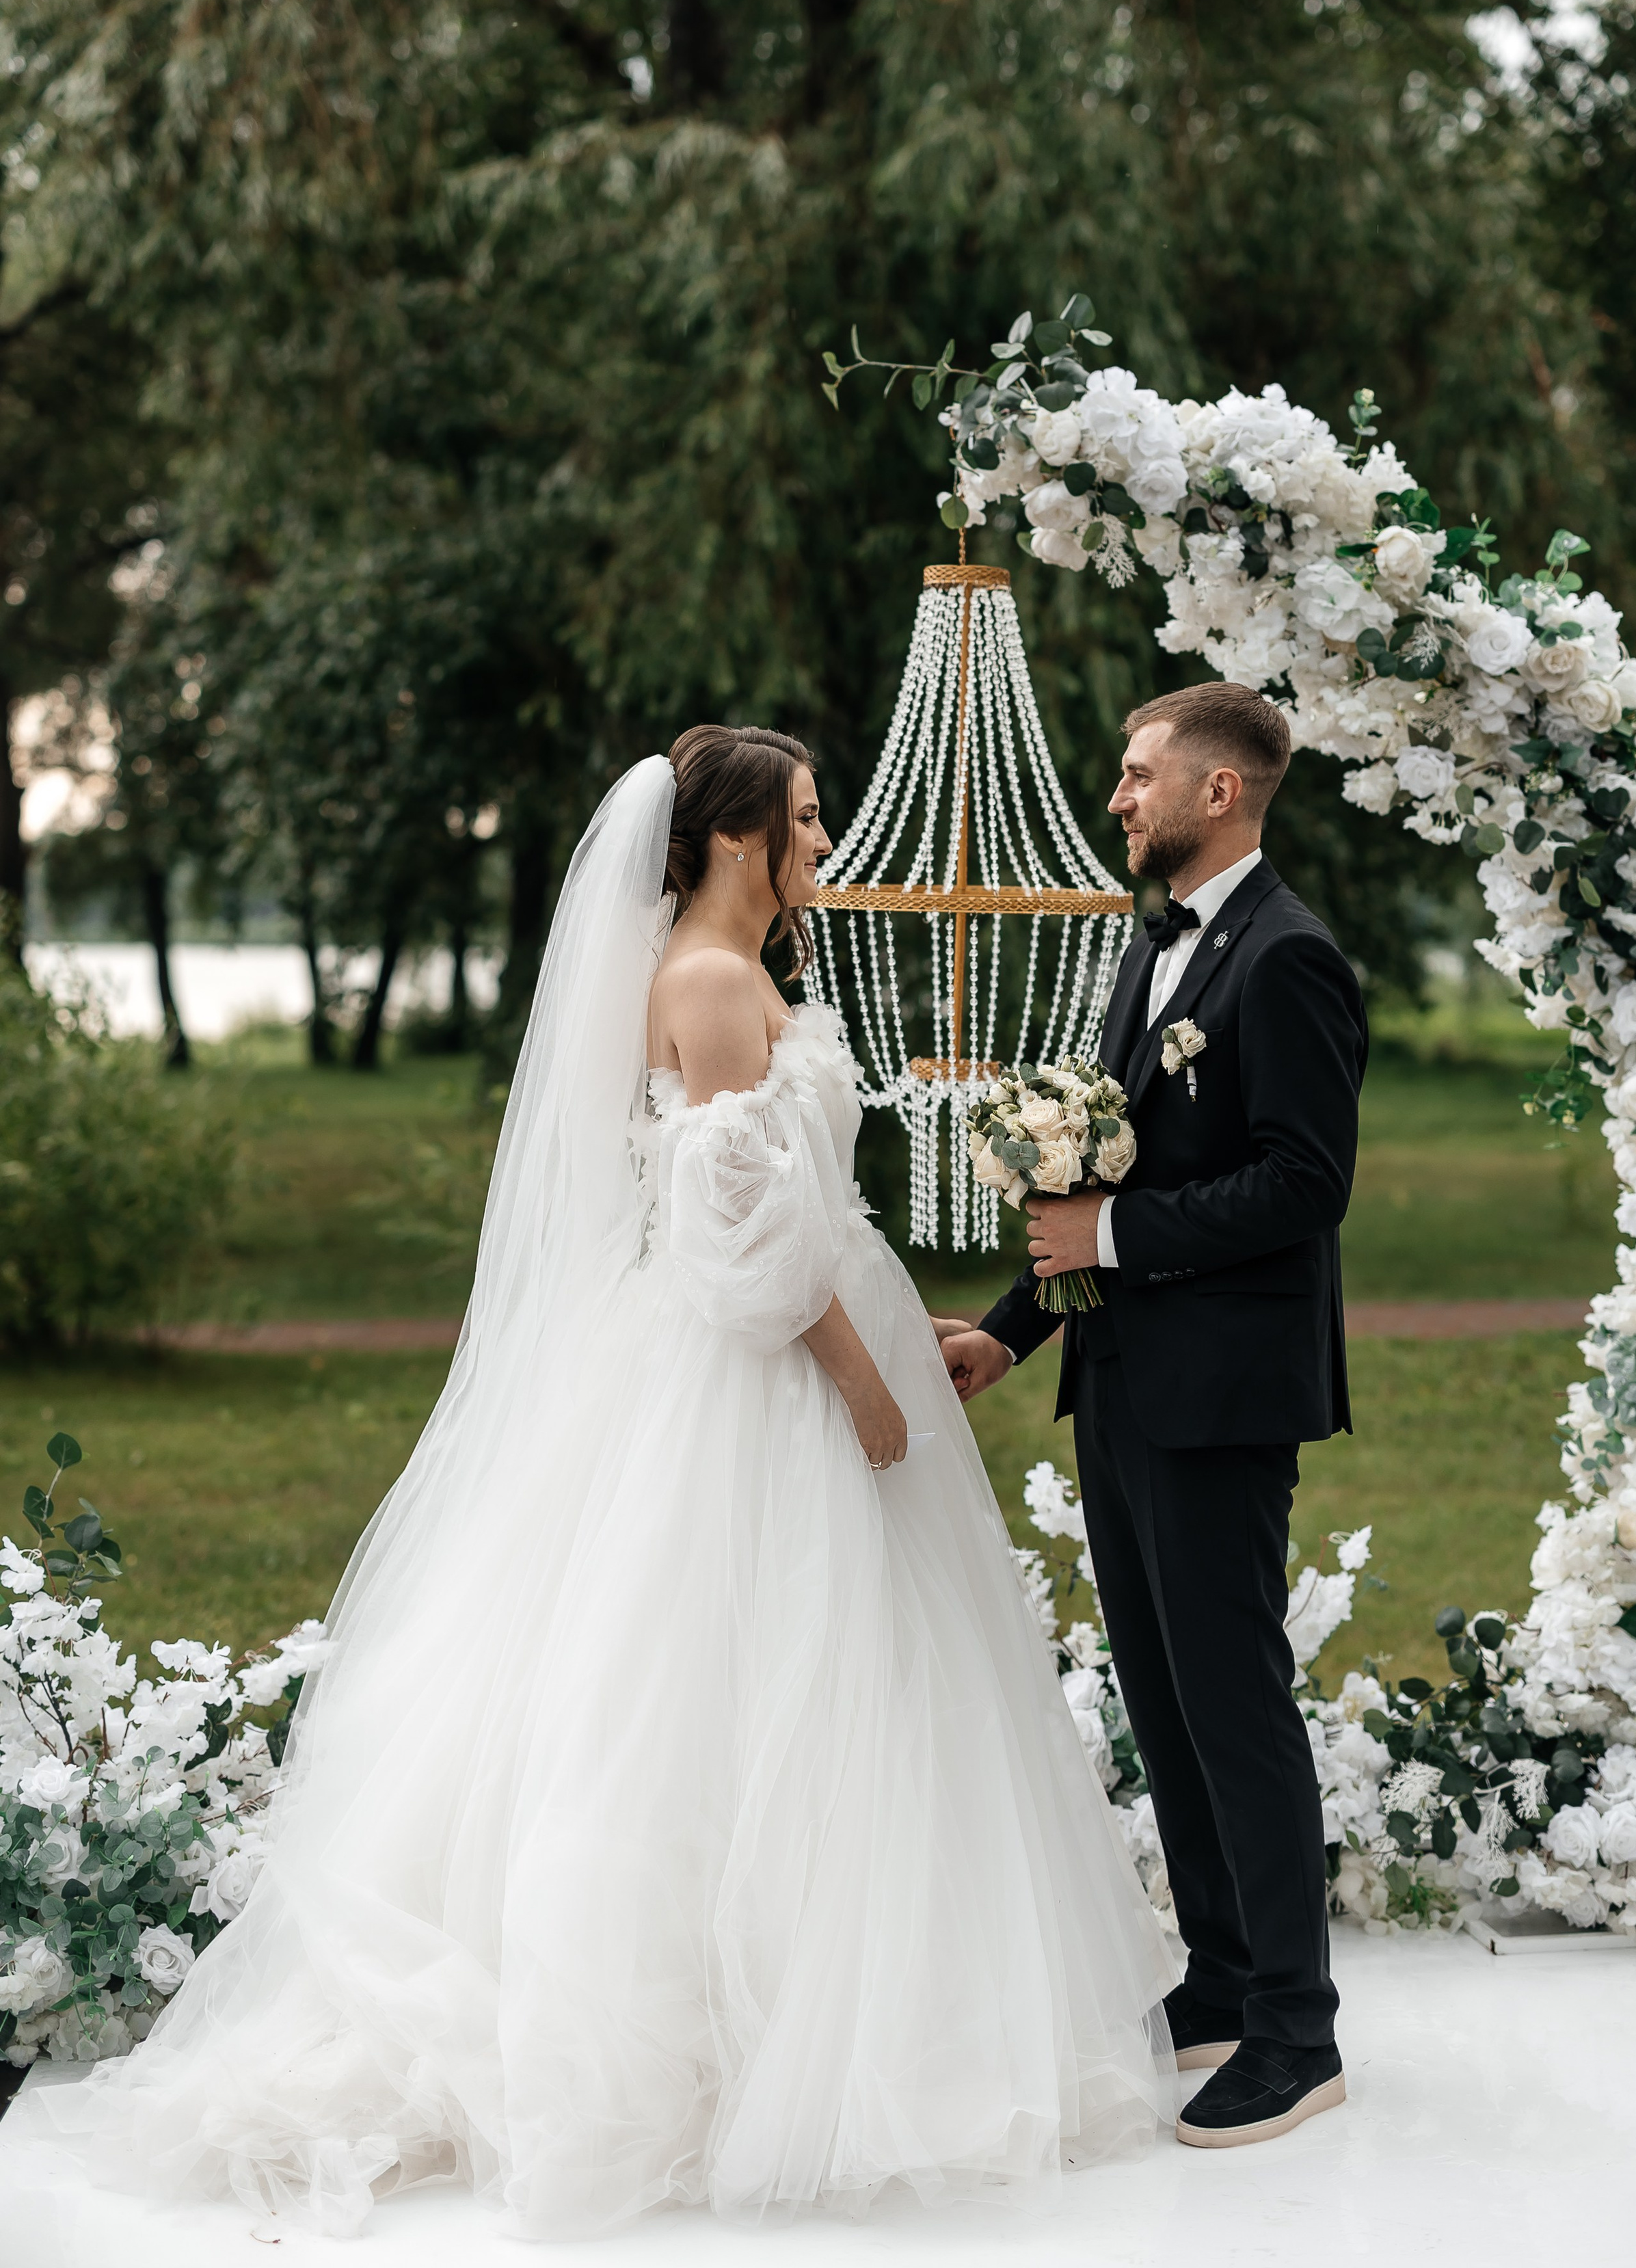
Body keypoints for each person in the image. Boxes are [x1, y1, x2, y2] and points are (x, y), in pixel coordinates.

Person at [6, 727, 1171, 2239]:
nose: (827, 842)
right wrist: (866, 1388)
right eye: (808, 819)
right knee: (733, 1692)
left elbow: (772, 1198)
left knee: (836, 1690)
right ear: (742, 839)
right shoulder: (704, 981)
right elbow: (739, 1239)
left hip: (795, 1329)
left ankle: (851, 2012)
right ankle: (732, 2053)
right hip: (754, 1376)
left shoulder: (747, 976)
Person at [942, 684, 1367, 2151]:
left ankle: (1295, 2034)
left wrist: (1115, 1241)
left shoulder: (1289, 961)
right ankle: (1221, 1973)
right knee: (1166, 1698)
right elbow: (1086, 1193)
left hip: (1223, 1396)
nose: (1115, 798)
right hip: (1121, 1383)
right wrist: (1006, 1336)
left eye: (1137, 777)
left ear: (1217, 793)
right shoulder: (1153, 942)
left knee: (1230, 1698)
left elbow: (1302, 1183)